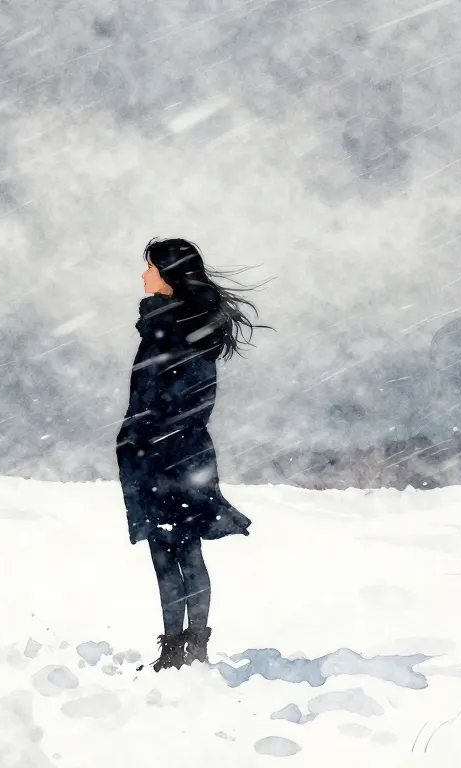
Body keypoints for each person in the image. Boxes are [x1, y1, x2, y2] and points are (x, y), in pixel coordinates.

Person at [116, 237, 267, 672]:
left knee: (167, 553)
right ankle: (189, 651)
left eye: (150, 268)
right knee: (185, 550)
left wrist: (142, 441)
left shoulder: (169, 326)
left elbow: (161, 397)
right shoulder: (191, 323)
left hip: (162, 455)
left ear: (168, 273)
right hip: (184, 453)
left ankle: (177, 653)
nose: (144, 275)